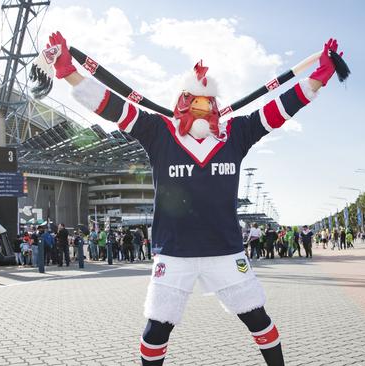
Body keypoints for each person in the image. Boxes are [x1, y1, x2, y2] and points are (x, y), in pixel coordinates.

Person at [48, 30, 344, 365]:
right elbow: (115, 108)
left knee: (258, 319)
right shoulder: (157, 132)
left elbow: (277, 111)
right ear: (183, 104)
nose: (203, 110)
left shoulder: (236, 134)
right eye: (196, 102)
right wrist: (68, 73)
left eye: (208, 103)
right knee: (156, 331)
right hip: (174, 253)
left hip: (225, 250)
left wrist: (319, 77)